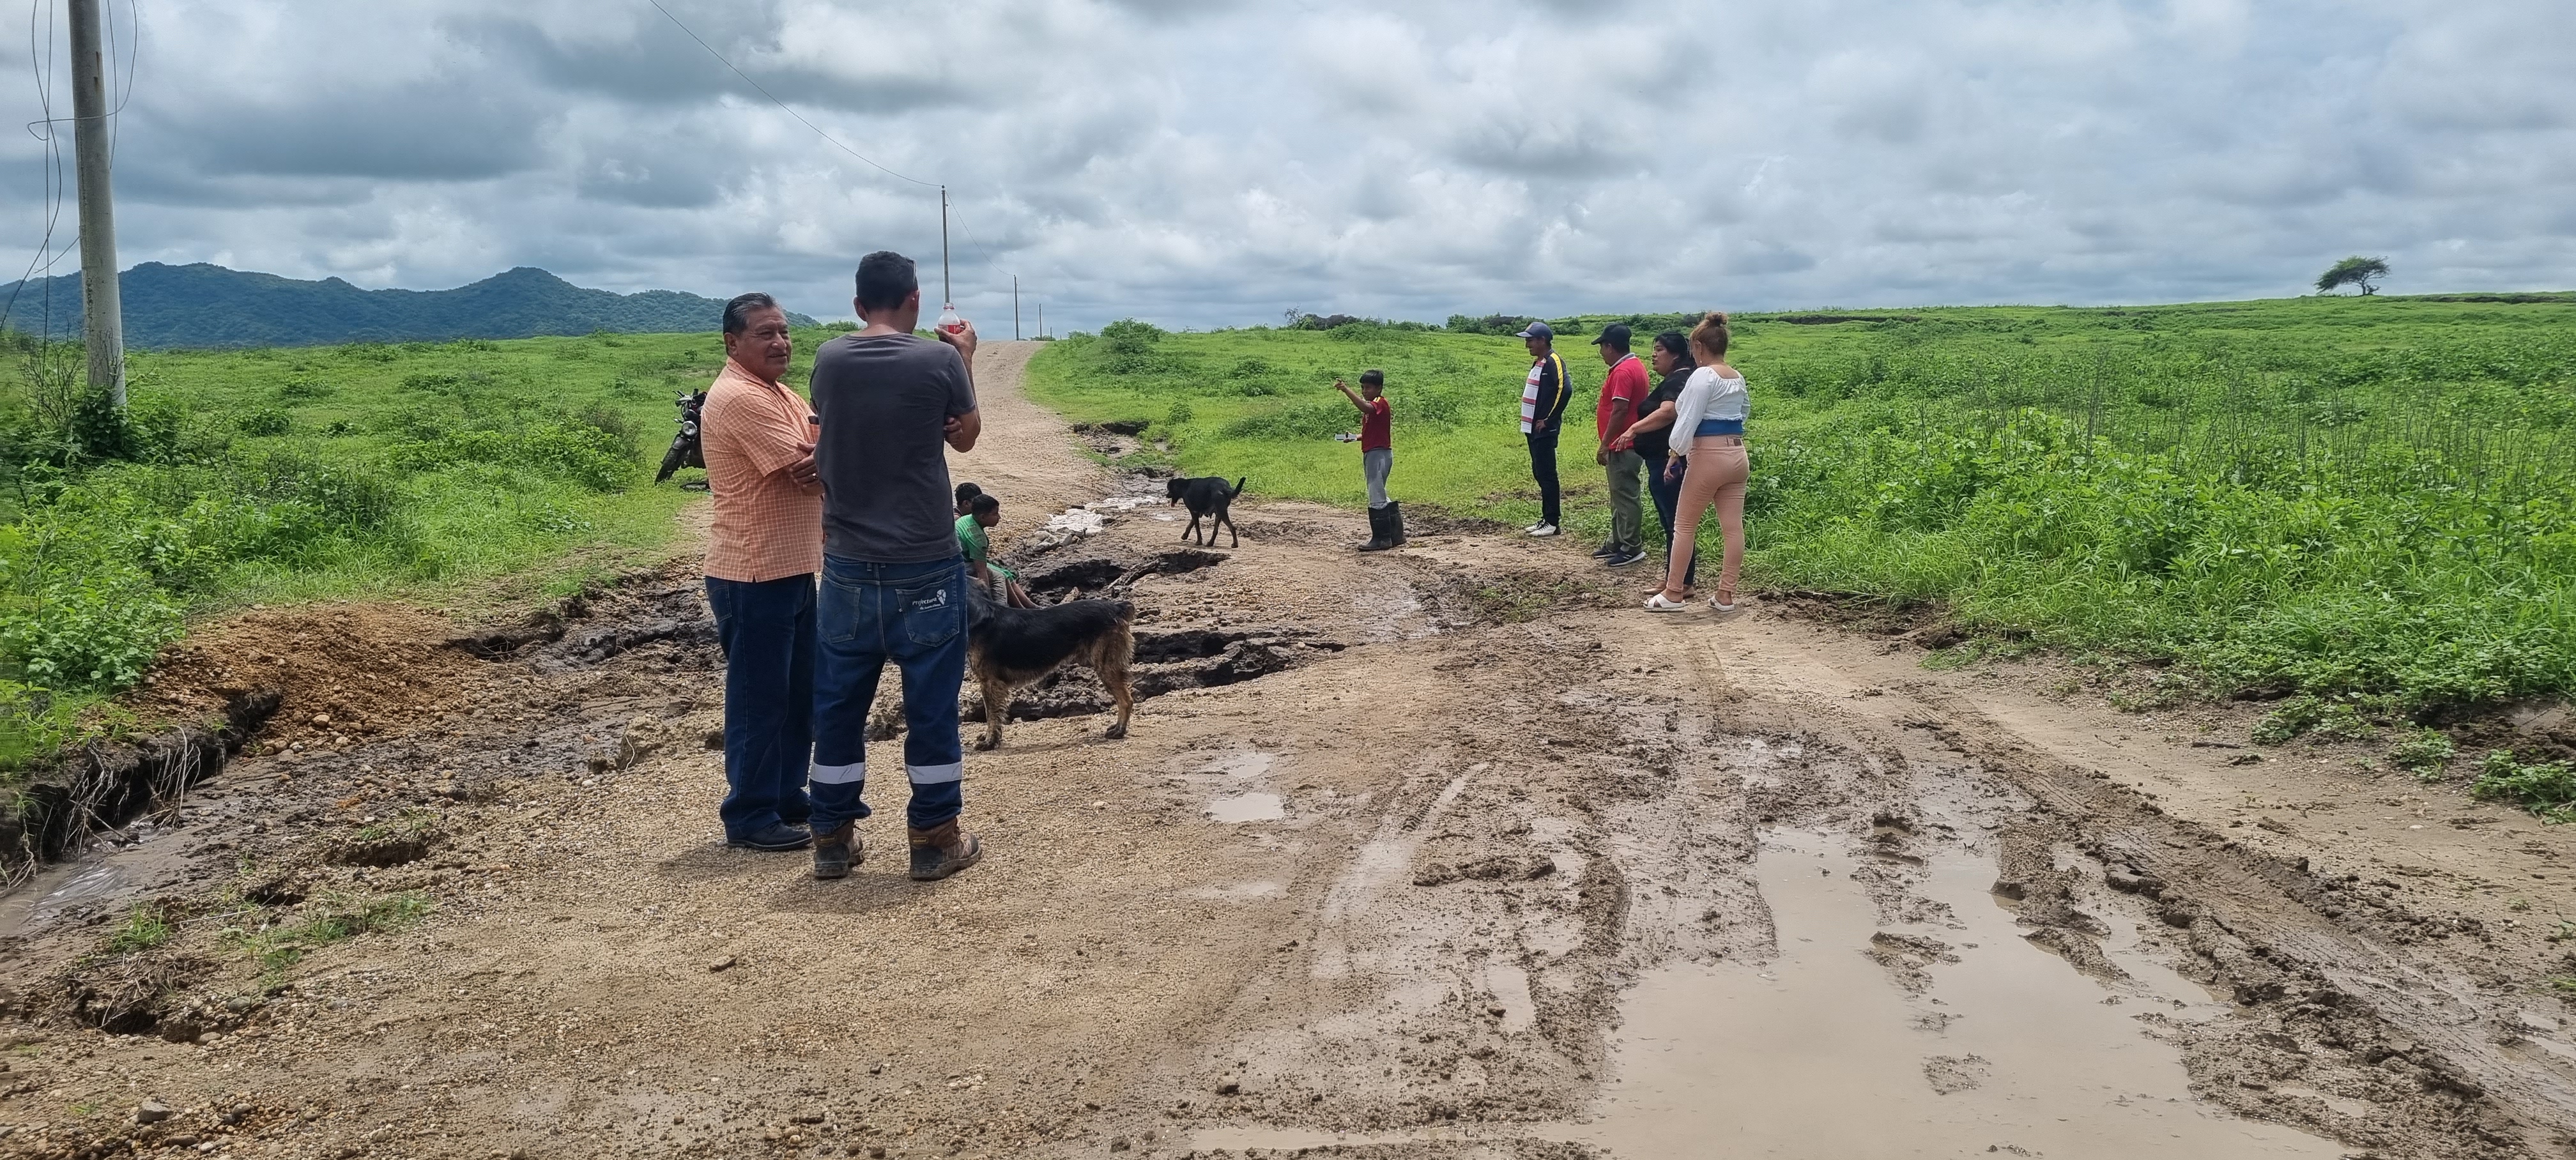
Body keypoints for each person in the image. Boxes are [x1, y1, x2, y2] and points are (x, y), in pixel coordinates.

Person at [804, 250, 987, 882]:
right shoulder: (939, 360)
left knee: (838, 706)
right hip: (925, 565)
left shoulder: (828, 359)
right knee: (931, 707)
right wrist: (964, 358)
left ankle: (831, 837)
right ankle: (935, 839)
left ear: (858, 305)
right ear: (916, 300)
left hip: (847, 567)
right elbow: (965, 437)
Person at [699, 293, 822, 853]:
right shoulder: (739, 397)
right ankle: (749, 813)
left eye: (784, 332)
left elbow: (819, 446)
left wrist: (826, 450)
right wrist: (831, 453)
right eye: (765, 334)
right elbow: (808, 469)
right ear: (732, 343)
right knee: (760, 698)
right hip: (752, 574)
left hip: (789, 567)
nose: (780, 343)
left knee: (796, 693)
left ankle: (785, 793)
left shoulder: (777, 392)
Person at [1646, 312, 1749, 613]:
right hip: (1737, 454)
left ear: (1699, 347)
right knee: (1733, 529)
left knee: (1684, 525)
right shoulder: (1737, 377)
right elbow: (1744, 412)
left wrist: (1675, 452)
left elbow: (1687, 418)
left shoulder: (1703, 376)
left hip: (1708, 456)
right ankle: (1725, 595)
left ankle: (1674, 592)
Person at [1609, 330, 1699, 593]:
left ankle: (1680, 581)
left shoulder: (1678, 379)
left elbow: (1668, 411)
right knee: (1674, 521)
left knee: (1674, 522)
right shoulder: (1681, 378)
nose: (1654, 355)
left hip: (1668, 461)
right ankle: (1678, 578)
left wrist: (1633, 429)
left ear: (1676, 355)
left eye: (1659, 350)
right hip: (1664, 459)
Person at [1590, 323, 1652, 568]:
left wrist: (1605, 444)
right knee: (1619, 496)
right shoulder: (1634, 366)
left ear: (1610, 346)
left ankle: (1631, 547)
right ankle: (1617, 541)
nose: (1601, 353)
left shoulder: (1623, 371)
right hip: (1625, 442)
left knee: (1625, 496)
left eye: (1602, 347)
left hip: (1623, 444)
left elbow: (1620, 409)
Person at [1335, 370, 1404, 551]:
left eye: (1368, 388)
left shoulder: (1379, 403)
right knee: (1380, 492)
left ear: (1379, 388)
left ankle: (1381, 539)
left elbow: (1366, 408)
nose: (1365, 391)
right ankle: (1396, 535)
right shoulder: (1375, 406)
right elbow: (1373, 432)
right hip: (1378, 452)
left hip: (1377, 454)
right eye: (1363, 388)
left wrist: (1346, 390)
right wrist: (1355, 437)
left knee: (1376, 494)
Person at [1514, 321, 1571, 537]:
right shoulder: (1539, 362)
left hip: (1544, 430)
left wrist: (1548, 420)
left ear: (1542, 340)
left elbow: (1565, 390)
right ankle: (1546, 519)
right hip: (1532, 429)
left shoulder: (1553, 361)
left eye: (1530, 340)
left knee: (1547, 474)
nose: (1527, 345)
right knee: (1539, 471)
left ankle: (1552, 522)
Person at [958, 492, 1035, 607]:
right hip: (960, 566)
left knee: (1004, 573)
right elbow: (981, 572)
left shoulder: (966, 519)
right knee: (999, 577)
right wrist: (987, 601)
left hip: (964, 560)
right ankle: (1000, 608)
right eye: (995, 514)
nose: (999, 517)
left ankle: (1026, 608)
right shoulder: (977, 538)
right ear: (983, 517)